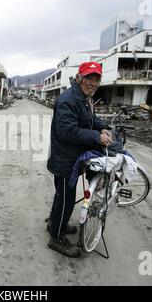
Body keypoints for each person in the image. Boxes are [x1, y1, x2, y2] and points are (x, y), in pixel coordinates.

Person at [46, 61, 113, 258]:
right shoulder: (69, 100)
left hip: (71, 158)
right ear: (78, 78)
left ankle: (55, 224)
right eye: (88, 78)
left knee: (63, 196)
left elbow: (89, 120)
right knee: (66, 200)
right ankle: (56, 238)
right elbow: (67, 131)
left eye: (96, 79)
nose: (92, 83)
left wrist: (101, 127)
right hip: (65, 159)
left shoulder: (83, 98)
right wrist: (96, 137)